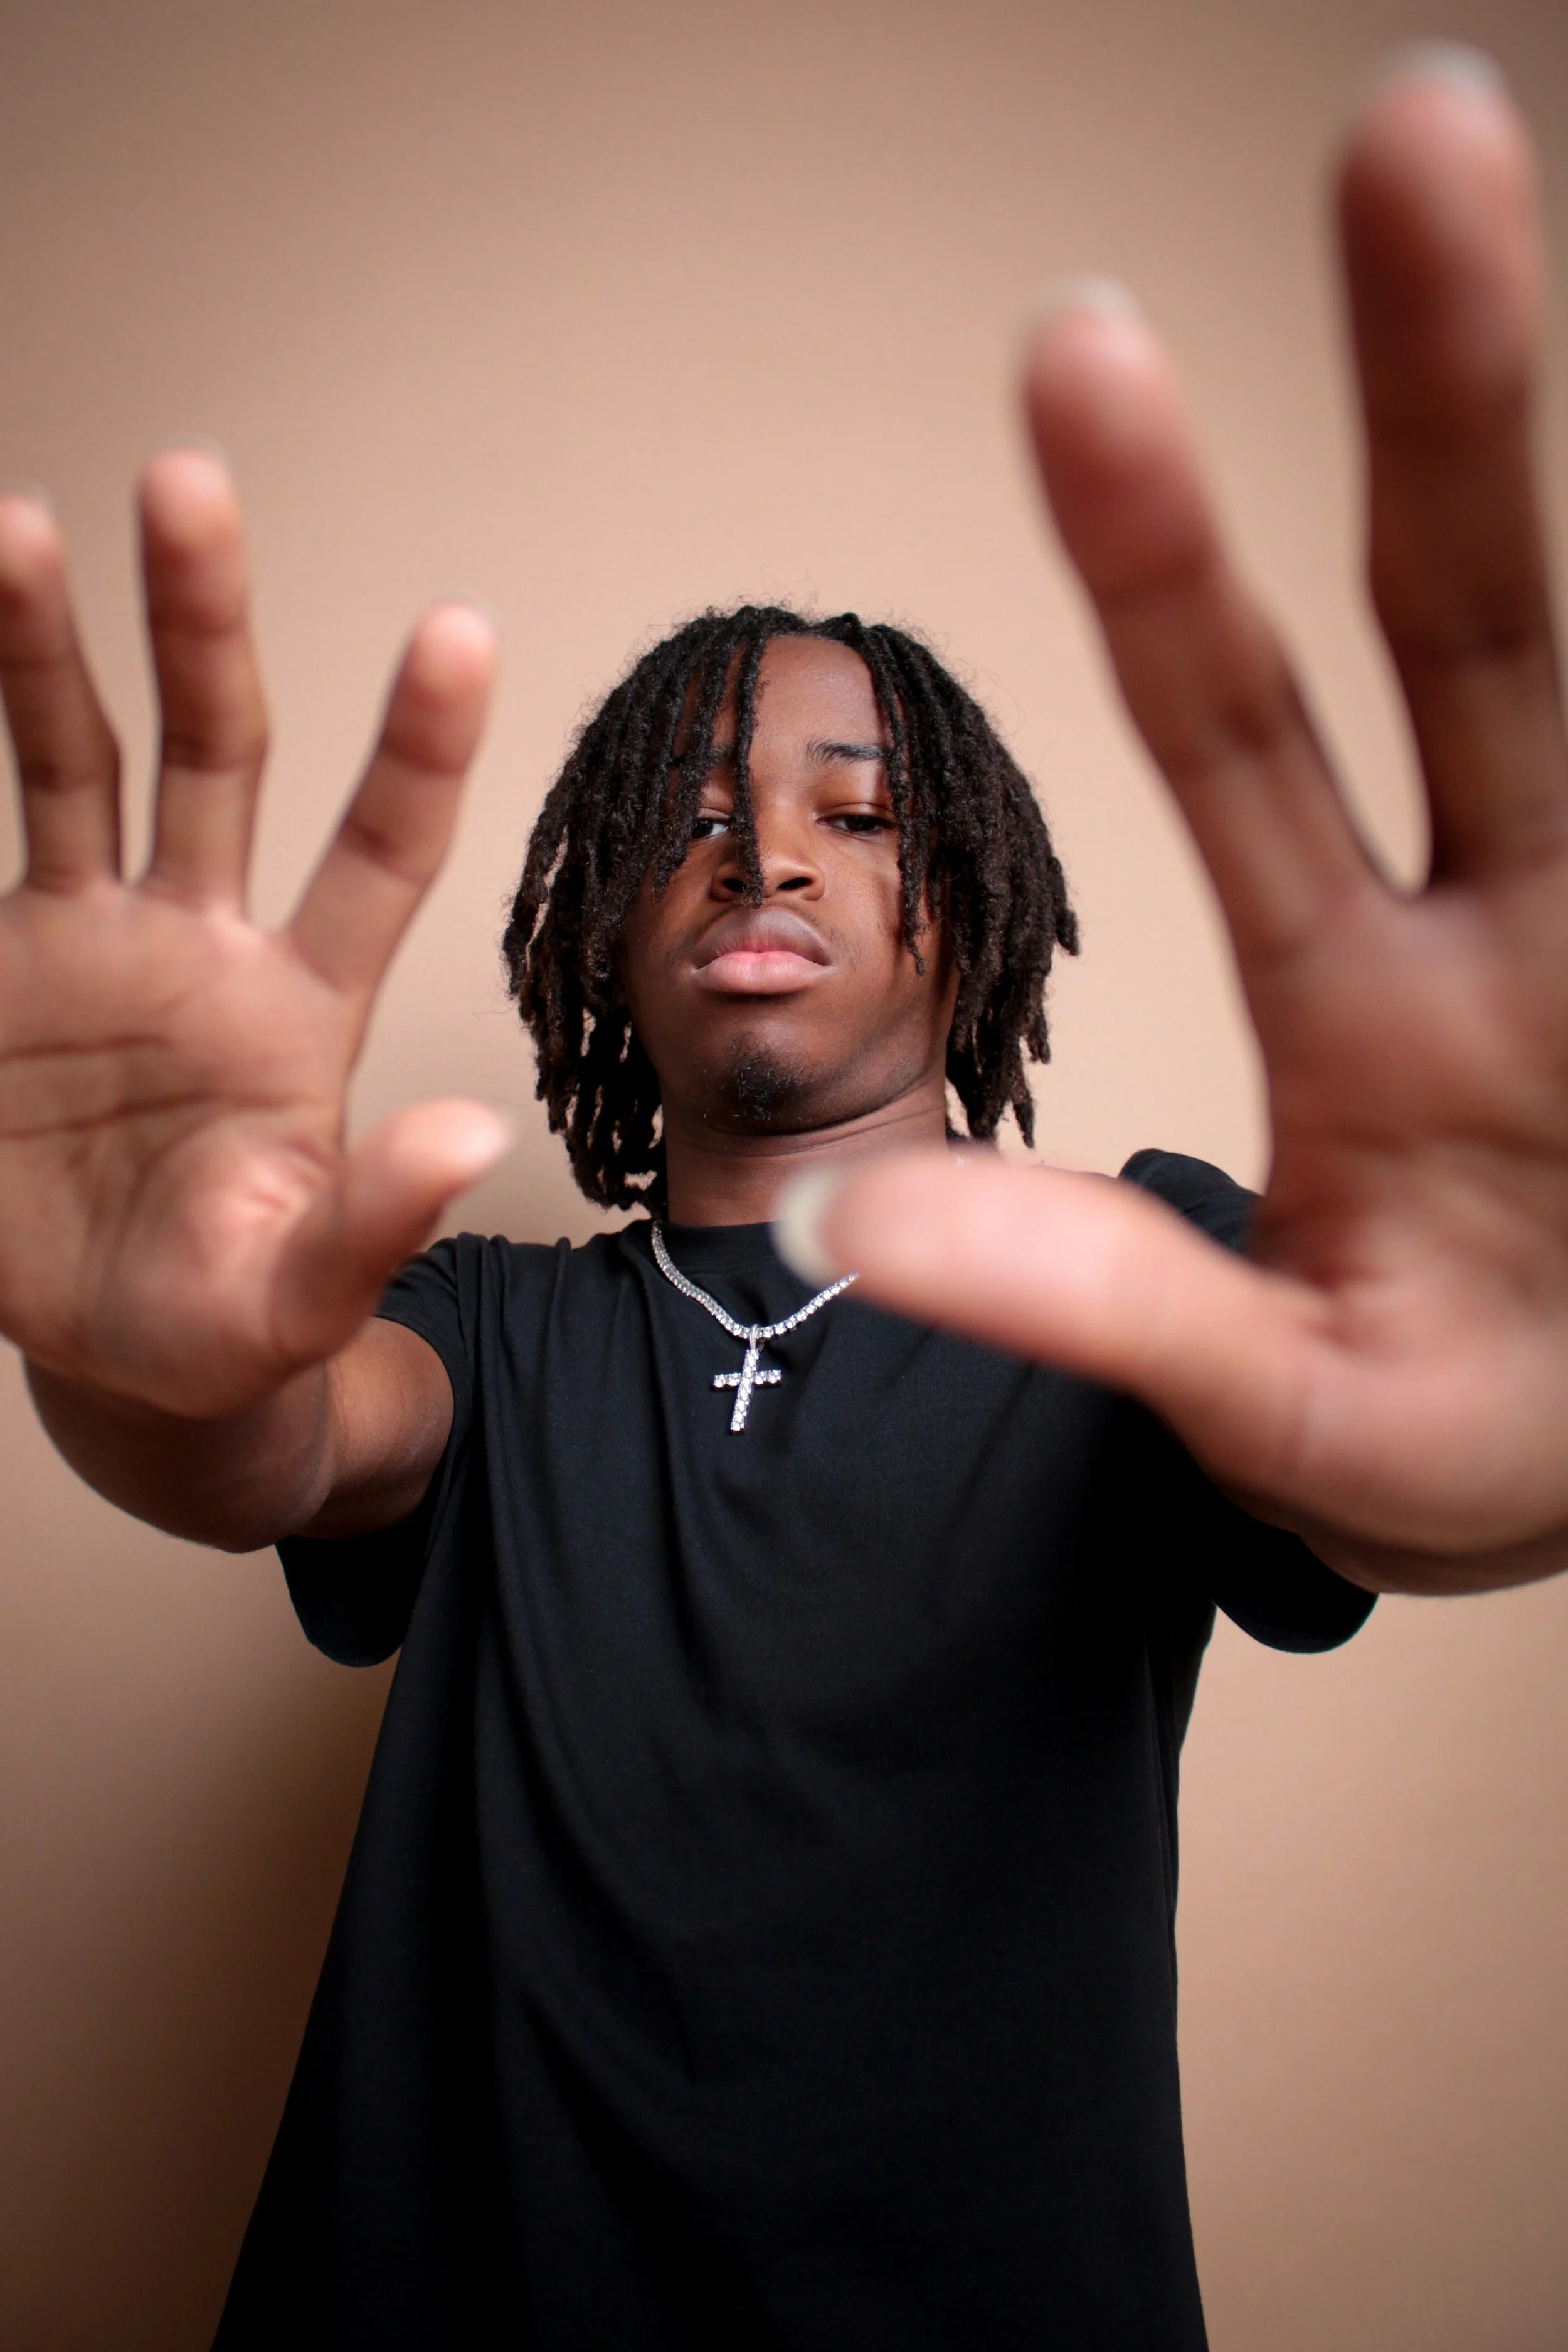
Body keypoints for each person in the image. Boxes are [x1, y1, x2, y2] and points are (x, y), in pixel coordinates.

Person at [0, 45, 1562, 2351]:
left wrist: (1526, 1435)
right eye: (699, 804)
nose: (770, 846)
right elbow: (276, 1434)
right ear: (599, 925)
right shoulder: (491, 1328)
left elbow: (1379, 1486)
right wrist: (115, 1365)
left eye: (859, 804)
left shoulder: (1155, 1282)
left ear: (986, 913)